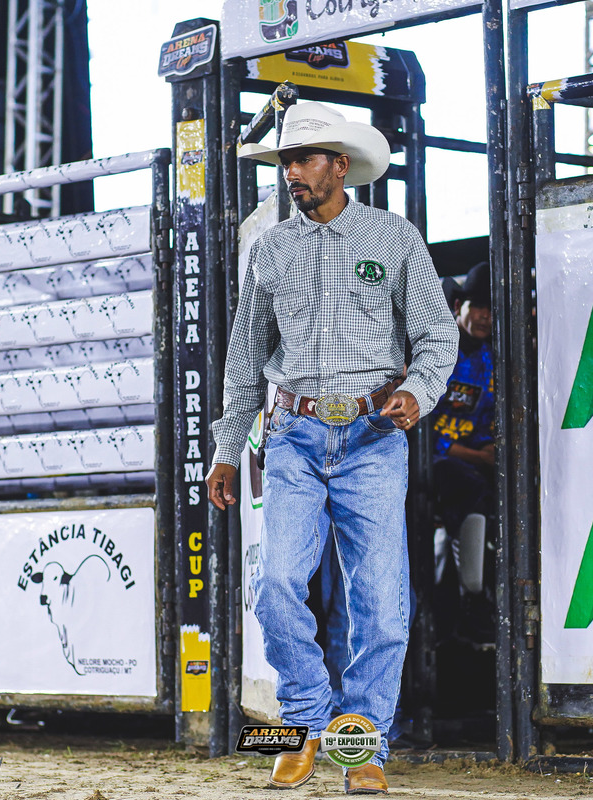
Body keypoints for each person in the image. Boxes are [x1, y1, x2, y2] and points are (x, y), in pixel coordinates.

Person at [205, 102, 457, 794]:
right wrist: (227, 448)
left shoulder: (394, 238)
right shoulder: (270, 250)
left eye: (303, 159)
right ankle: (307, 723)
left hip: (375, 435)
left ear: (340, 166)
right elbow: (245, 359)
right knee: (275, 584)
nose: (292, 172)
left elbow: (437, 335)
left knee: (379, 600)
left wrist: (420, 391)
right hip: (292, 433)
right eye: (286, 161)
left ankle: (363, 746)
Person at [430, 262, 496, 642]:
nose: (485, 316)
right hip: (439, 463)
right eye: (478, 306)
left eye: (490, 308)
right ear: (459, 307)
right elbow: (426, 429)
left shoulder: (491, 358)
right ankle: (473, 597)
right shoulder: (439, 351)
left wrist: (489, 447)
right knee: (470, 486)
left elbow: (490, 418)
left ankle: (481, 595)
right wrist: (476, 457)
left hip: (475, 459)